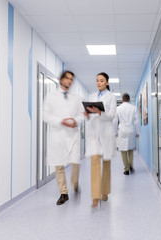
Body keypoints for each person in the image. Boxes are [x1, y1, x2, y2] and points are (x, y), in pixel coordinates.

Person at [43, 70, 84, 205]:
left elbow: (81, 115)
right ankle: (64, 193)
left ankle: (75, 182)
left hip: (72, 134)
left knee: (75, 161)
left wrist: (75, 121)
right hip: (58, 135)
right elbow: (45, 115)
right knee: (58, 165)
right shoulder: (51, 96)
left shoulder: (77, 98)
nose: (69, 81)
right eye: (67, 78)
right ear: (61, 80)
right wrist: (61, 120)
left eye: (71, 79)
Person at [84, 72, 117, 207]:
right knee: (94, 163)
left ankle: (105, 192)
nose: (98, 83)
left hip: (106, 133)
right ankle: (95, 196)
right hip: (94, 134)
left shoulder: (112, 97)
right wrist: (87, 114)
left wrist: (99, 112)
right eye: (97, 80)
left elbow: (111, 116)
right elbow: (90, 117)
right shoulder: (92, 96)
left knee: (106, 164)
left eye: (102, 81)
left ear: (107, 83)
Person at [114, 93, 140, 175]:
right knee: (130, 149)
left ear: (122, 99)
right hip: (131, 129)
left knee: (123, 150)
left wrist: (115, 132)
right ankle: (131, 165)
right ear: (129, 99)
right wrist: (138, 132)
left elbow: (115, 121)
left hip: (122, 130)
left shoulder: (118, 108)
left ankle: (126, 169)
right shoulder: (133, 108)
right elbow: (137, 121)